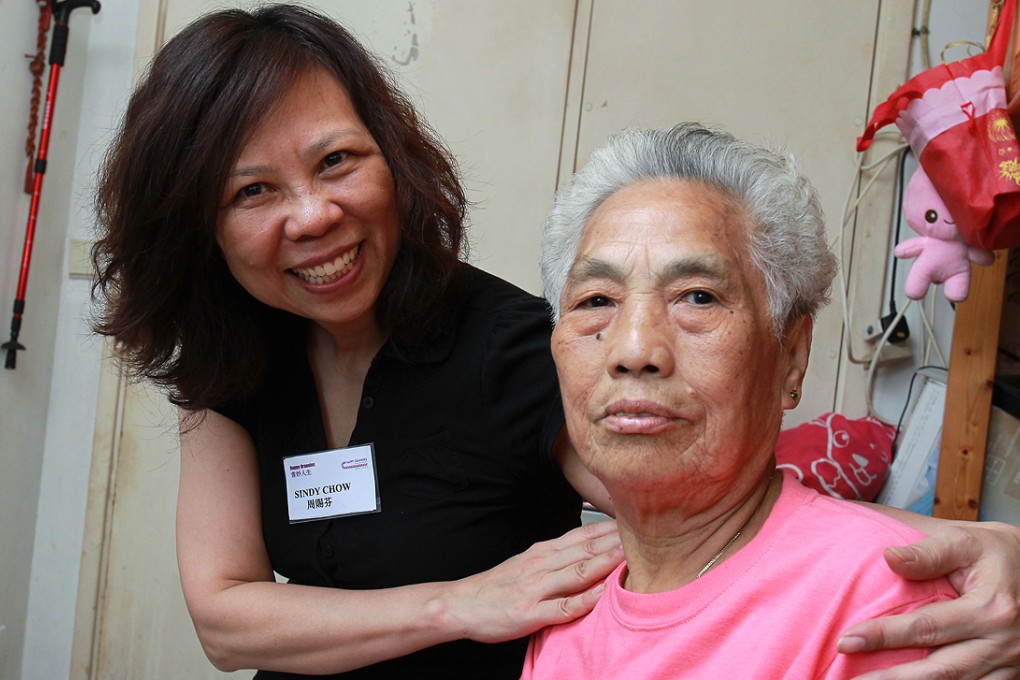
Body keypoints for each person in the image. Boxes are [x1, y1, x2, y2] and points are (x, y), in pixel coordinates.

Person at [89, 5, 1020, 679]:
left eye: (337, 161)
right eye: (252, 191)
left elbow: (707, 494)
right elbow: (226, 618)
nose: (312, 216)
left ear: (393, 162)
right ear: (197, 226)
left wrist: (983, 551)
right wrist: (459, 603)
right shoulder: (231, 360)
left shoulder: (511, 345)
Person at [519, 122, 1003, 678]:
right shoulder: (568, 605)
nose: (633, 350)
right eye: (596, 300)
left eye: (698, 297)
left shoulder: (883, 606)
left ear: (791, 357)